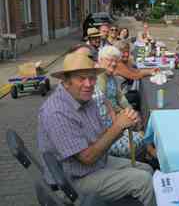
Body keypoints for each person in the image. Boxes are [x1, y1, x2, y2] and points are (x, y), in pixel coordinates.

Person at [38, 51, 156, 205]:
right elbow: (87, 158)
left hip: (94, 164)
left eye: (92, 78)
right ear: (66, 81)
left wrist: (125, 124)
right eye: (81, 78)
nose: (88, 84)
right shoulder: (57, 112)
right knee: (143, 181)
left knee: (147, 170)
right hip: (73, 180)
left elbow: (102, 137)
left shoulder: (86, 99)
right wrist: (118, 126)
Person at [93, 45, 145, 158]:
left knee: (139, 120)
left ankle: (145, 153)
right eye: (110, 60)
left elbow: (120, 97)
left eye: (116, 61)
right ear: (100, 60)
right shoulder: (99, 77)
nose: (113, 63)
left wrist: (130, 109)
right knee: (140, 130)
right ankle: (146, 155)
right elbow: (104, 103)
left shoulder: (110, 75)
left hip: (117, 114)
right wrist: (124, 112)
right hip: (108, 122)